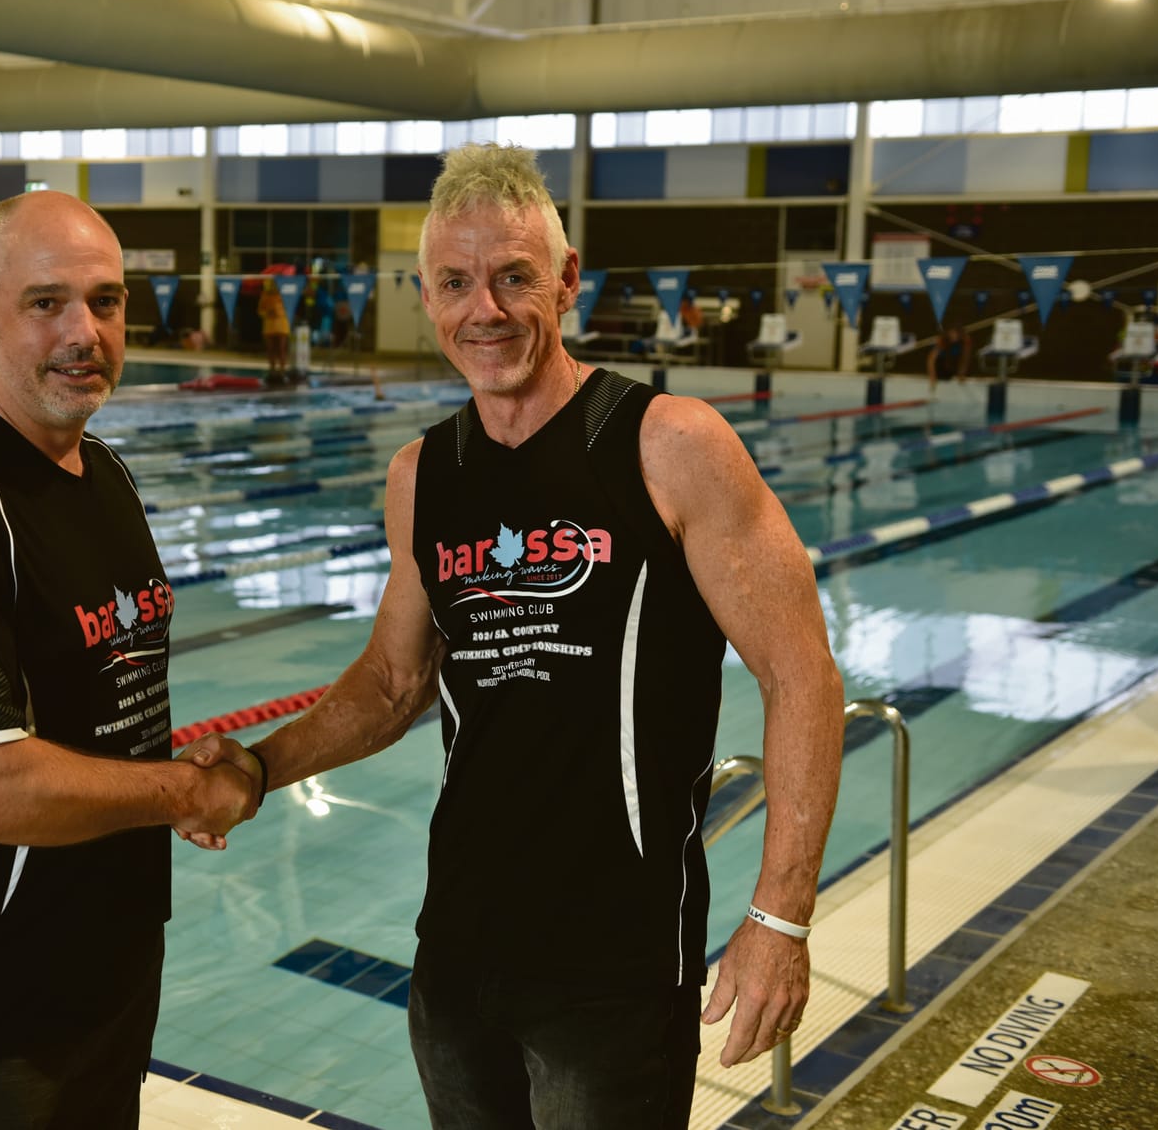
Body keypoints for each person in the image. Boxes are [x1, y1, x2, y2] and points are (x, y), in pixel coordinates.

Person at [182, 144, 846, 1129]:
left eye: (512, 278)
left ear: (566, 281)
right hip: (456, 950)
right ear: (426, 292)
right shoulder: (425, 475)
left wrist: (777, 918)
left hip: (613, 964)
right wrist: (250, 768)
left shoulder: (668, 445)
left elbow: (801, 679)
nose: (481, 310)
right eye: (454, 282)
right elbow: (394, 685)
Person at [0, 190, 256, 1130]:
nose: (85, 331)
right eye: (47, 303)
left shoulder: (102, 472)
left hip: (102, 989)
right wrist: (182, 794)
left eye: (106, 301)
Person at [257, 275, 291, 383]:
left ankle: (282, 370)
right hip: (269, 325)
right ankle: (272, 369)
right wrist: (267, 313)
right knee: (271, 349)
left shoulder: (285, 295)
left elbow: (290, 308)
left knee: (281, 348)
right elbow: (260, 311)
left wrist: (278, 312)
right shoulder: (265, 295)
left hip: (282, 324)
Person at [927, 324, 971, 389]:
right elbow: (931, 360)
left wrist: (961, 373)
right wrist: (933, 378)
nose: (954, 336)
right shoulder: (942, 340)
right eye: (952, 334)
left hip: (953, 361)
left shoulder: (965, 341)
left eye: (957, 335)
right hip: (940, 363)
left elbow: (965, 359)